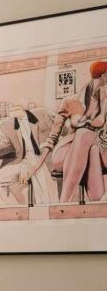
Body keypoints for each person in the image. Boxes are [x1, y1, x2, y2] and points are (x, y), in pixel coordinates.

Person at [41, 61, 107, 202]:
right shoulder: (69, 101)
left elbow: (101, 124)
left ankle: (64, 202)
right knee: (84, 136)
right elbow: (52, 137)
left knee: (91, 144)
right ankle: (98, 205)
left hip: (102, 150)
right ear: (104, 77)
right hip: (66, 152)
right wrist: (37, 164)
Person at [0, 106, 54, 206]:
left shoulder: (41, 116)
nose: (12, 113)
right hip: (23, 161)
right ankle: (14, 208)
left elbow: (56, 136)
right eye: (11, 111)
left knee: (45, 197)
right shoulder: (11, 125)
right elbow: (11, 145)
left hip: (42, 161)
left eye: (15, 110)